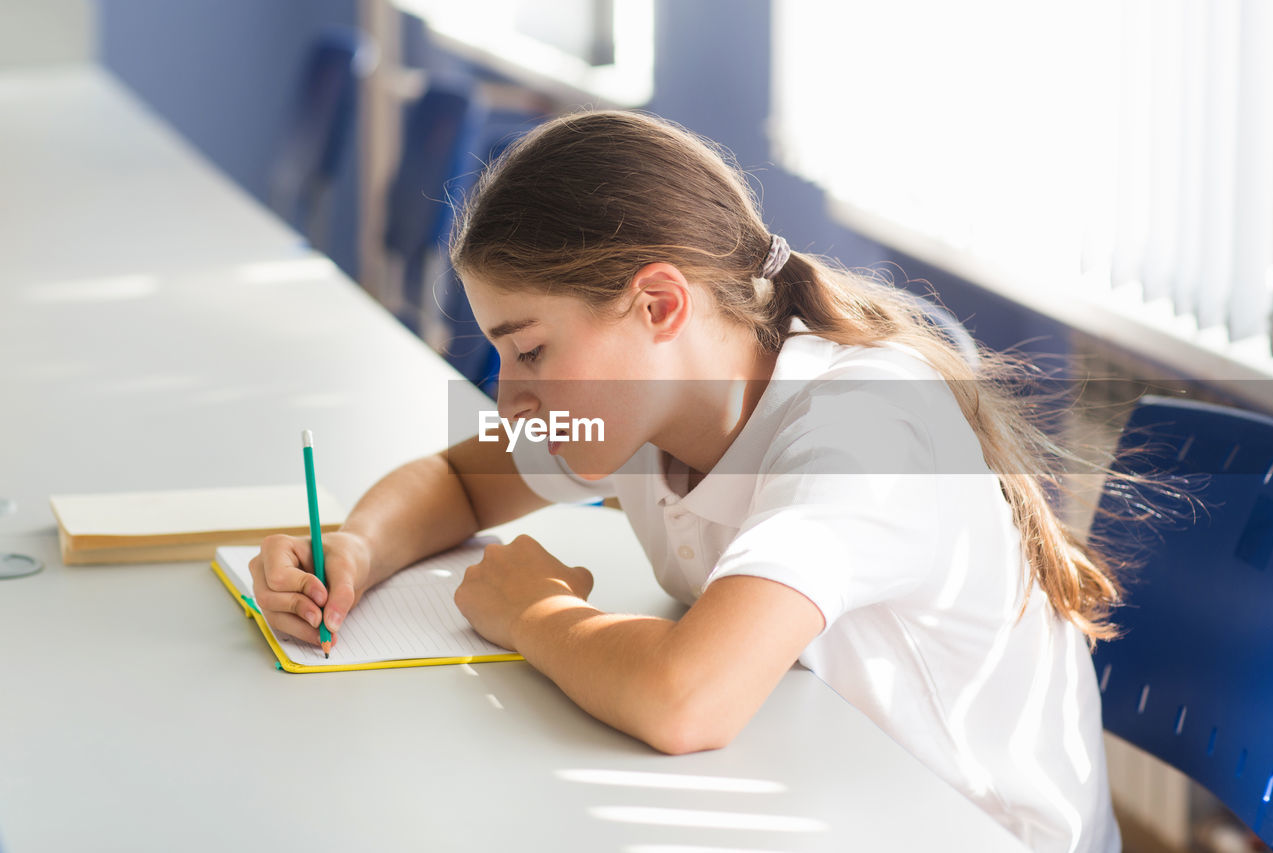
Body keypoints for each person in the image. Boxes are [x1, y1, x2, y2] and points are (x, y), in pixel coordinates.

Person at [251, 110, 1123, 852]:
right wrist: (358, 549)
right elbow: (460, 480)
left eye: (529, 349)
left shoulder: (862, 427)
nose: (508, 393)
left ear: (659, 305)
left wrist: (534, 611)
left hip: (970, 828)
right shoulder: (646, 399)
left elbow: (686, 699)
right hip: (814, 794)